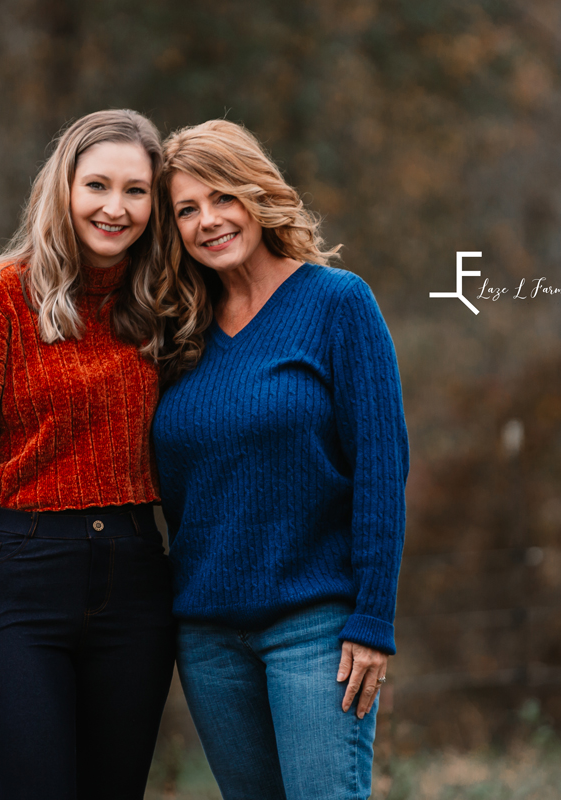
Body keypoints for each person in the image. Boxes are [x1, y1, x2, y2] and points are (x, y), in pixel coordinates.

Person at [0, 109, 176, 800]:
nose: (115, 208)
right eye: (97, 185)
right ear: (63, 189)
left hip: (135, 580)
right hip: (17, 580)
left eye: (136, 191)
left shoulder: (165, 306)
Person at [151, 119, 409, 800]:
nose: (208, 221)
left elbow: (382, 470)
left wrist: (373, 620)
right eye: (186, 209)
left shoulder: (338, 305)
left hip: (316, 629)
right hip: (206, 639)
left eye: (222, 197)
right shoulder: (177, 333)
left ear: (256, 194)